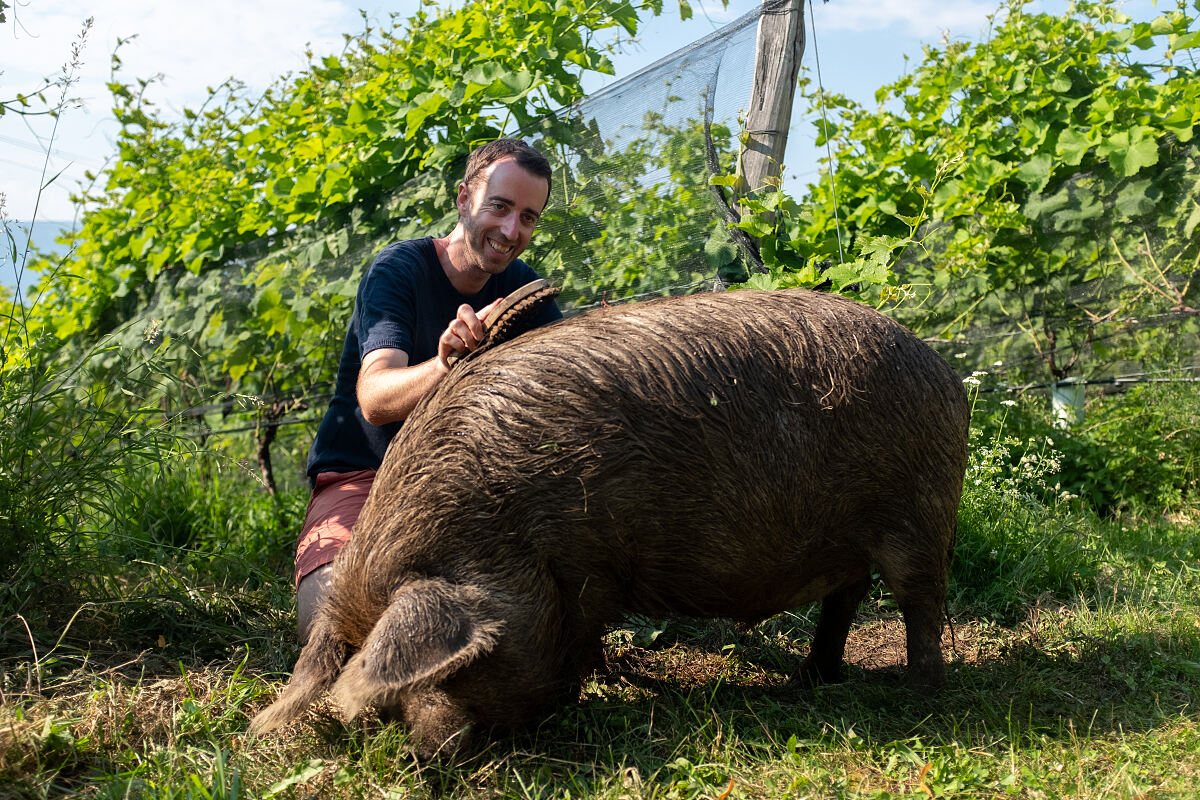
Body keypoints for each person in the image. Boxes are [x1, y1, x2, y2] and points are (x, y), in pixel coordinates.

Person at [294, 138, 562, 642]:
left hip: (466, 487)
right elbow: (373, 399)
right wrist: (446, 365)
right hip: (363, 477)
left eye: (528, 217)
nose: (511, 230)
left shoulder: (528, 295)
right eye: (499, 207)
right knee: (329, 622)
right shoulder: (398, 270)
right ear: (463, 199)